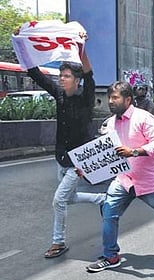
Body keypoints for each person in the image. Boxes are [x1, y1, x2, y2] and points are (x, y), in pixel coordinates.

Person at [86, 81, 154, 273]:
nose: (110, 101)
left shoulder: (145, 118)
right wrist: (86, 169)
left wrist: (134, 152)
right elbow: (105, 154)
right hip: (123, 180)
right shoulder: (110, 123)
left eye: (115, 97)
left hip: (149, 181)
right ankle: (111, 256)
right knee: (109, 214)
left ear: (128, 99)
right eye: (109, 97)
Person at [27, 51, 106, 258]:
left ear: (77, 81)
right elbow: (35, 74)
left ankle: (58, 242)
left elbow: (90, 77)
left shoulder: (85, 98)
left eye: (67, 76)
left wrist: (82, 48)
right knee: (69, 198)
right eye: (61, 75)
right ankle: (101, 199)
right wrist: (20, 45)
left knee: (59, 200)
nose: (62, 79)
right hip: (61, 158)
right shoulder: (59, 94)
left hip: (77, 163)